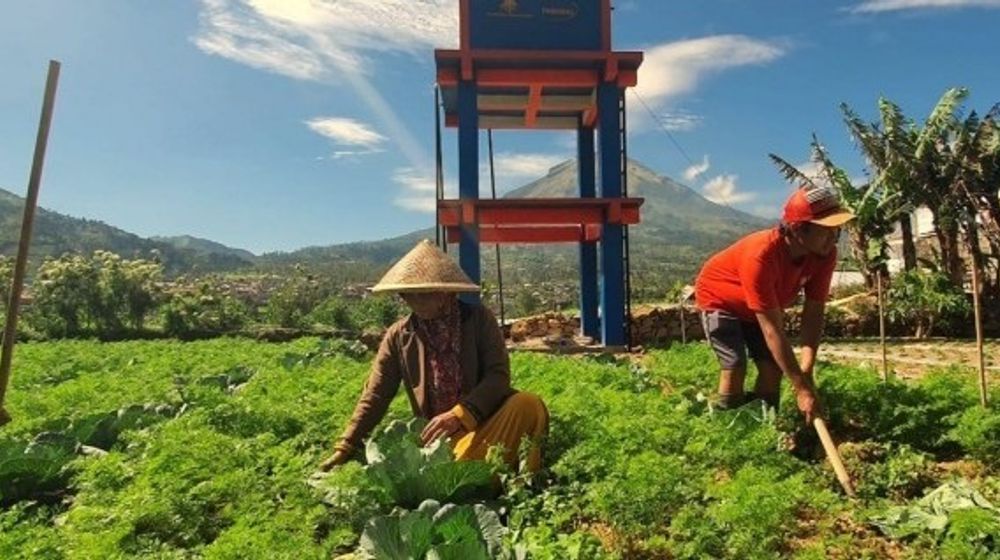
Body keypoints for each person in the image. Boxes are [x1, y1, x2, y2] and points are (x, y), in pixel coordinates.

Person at [319, 240, 548, 472]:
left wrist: (459, 415)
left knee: (528, 404)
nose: (414, 302)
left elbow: (497, 377)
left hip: (485, 425)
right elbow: (376, 395)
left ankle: (508, 476)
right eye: (407, 295)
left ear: (445, 293)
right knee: (453, 466)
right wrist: (346, 445)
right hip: (440, 443)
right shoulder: (399, 336)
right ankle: (472, 472)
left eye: (422, 294)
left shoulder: (479, 320)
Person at [694, 184, 854, 423]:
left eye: (837, 231)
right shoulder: (762, 255)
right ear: (799, 229)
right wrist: (800, 388)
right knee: (735, 364)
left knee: (772, 368)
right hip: (721, 300)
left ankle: (764, 426)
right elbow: (772, 331)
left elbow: (814, 312)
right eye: (826, 231)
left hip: (761, 309)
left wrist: (806, 371)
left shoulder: (824, 254)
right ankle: (725, 427)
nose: (833, 239)